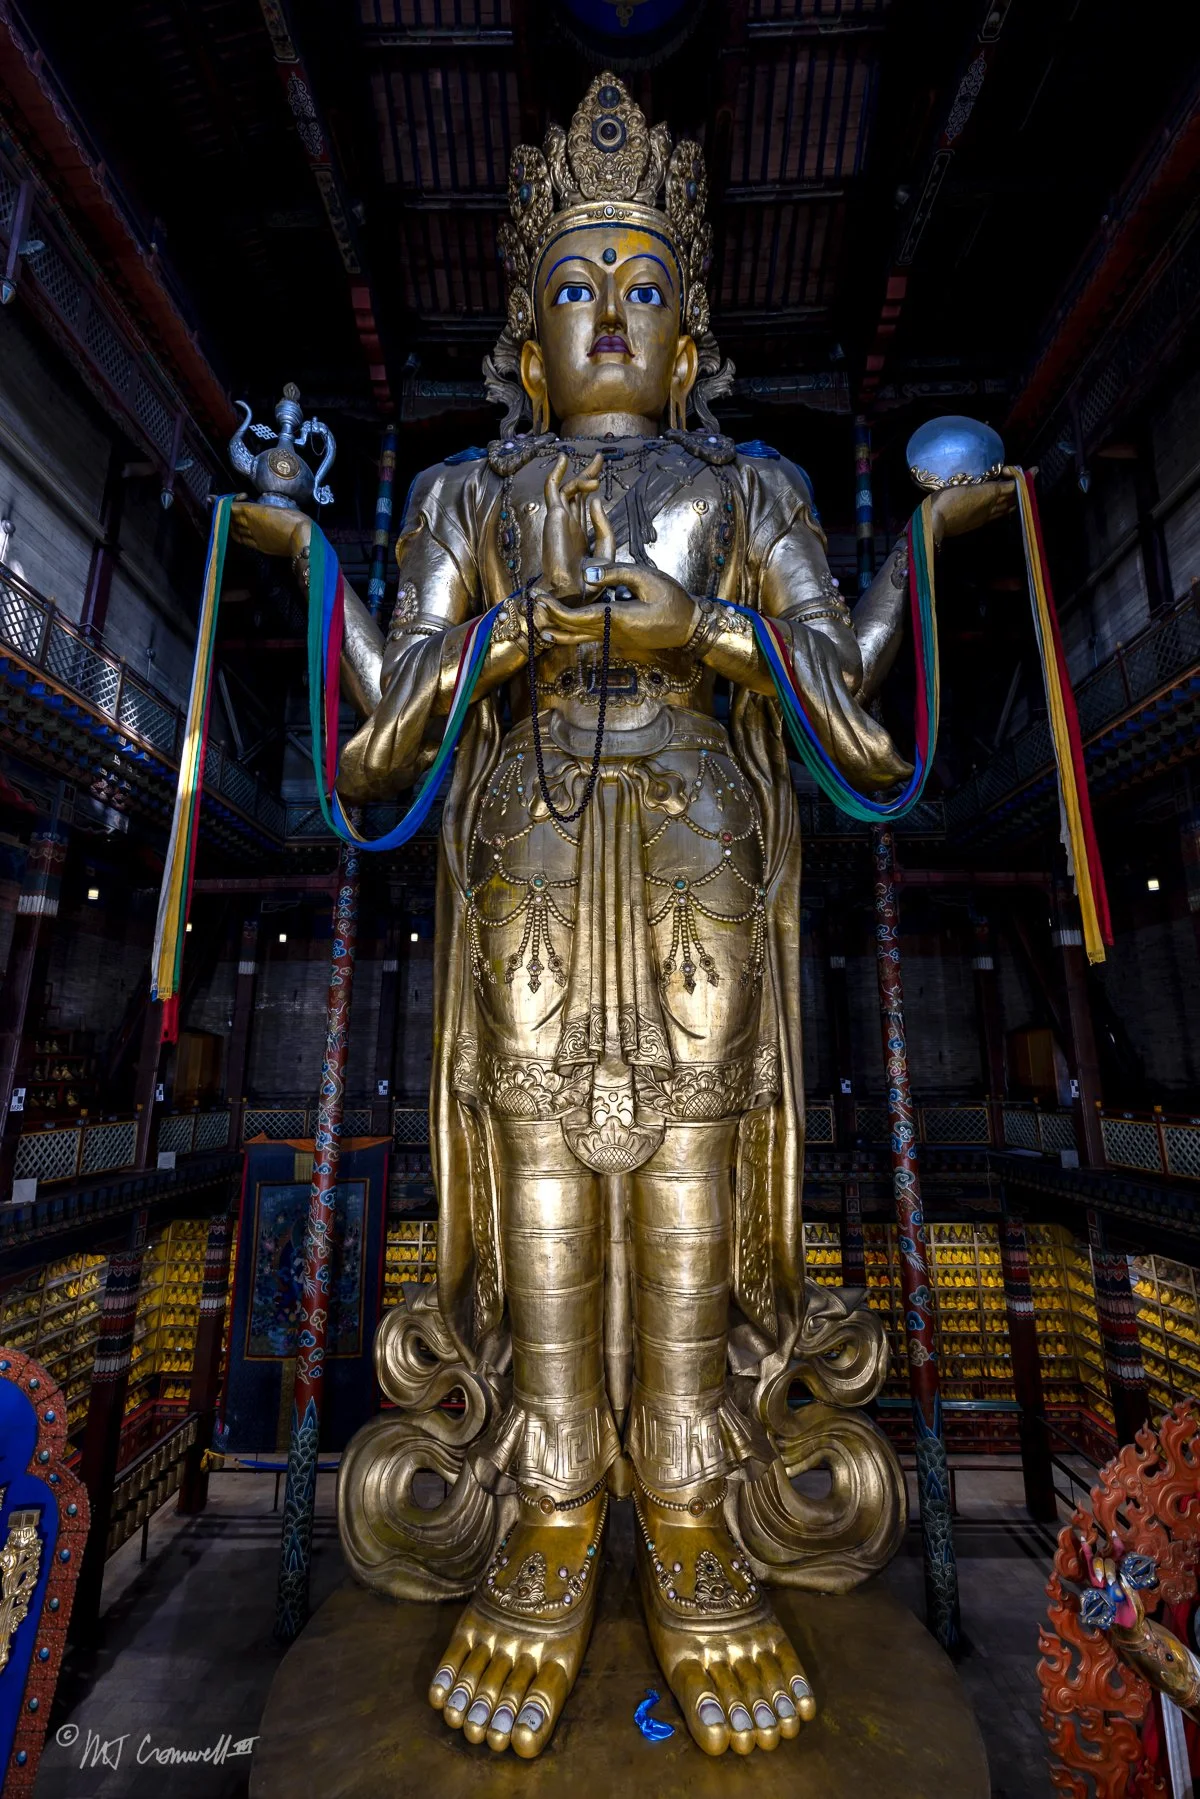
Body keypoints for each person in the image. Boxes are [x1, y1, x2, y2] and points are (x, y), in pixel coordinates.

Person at [232, 72, 1013, 1761]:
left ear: (693, 338)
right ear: (526, 338)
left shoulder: (751, 496)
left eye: (644, 290)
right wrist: (345, 583)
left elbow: (855, 703)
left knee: (686, 1173)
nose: (610, 316)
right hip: (522, 872)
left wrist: (755, 619)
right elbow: (377, 743)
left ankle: (693, 1525)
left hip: (702, 875)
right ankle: (549, 1523)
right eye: (578, 290)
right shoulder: (465, 499)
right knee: (537, 1186)